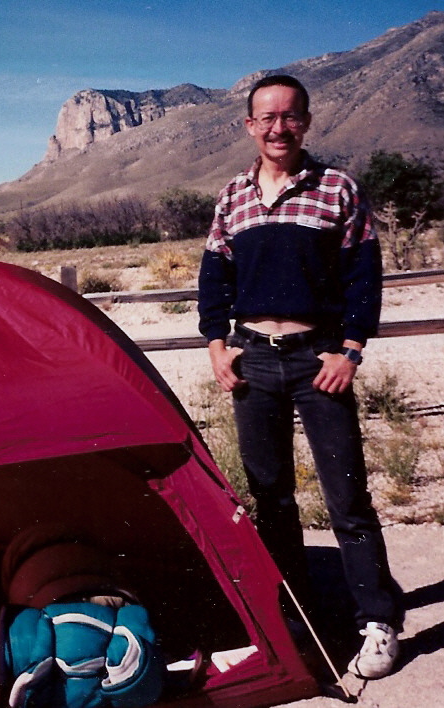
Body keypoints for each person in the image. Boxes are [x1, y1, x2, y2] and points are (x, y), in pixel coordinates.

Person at [198, 74, 402, 680]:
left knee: (348, 498)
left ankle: (379, 621)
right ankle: (295, 616)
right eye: (266, 117)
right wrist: (216, 344)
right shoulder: (232, 195)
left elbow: (365, 276)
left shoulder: (337, 189)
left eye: (289, 117)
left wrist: (350, 350)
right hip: (253, 359)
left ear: (307, 122)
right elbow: (216, 277)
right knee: (270, 497)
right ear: (249, 125)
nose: (278, 127)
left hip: (320, 361)